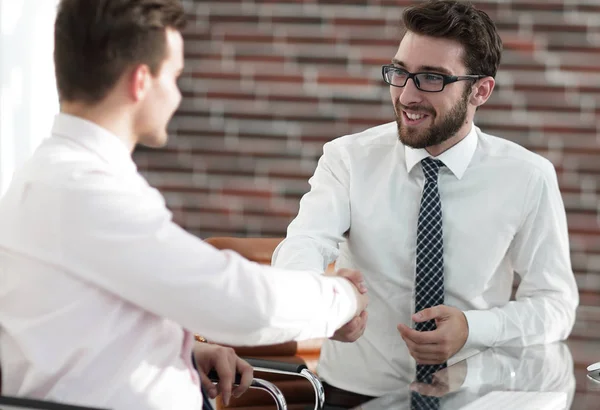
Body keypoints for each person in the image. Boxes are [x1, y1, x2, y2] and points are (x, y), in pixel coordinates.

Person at [0, 1, 369, 409]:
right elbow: (240, 304)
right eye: (174, 76)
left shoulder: (42, 174)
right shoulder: (89, 191)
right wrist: (341, 297)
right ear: (141, 81)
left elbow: (68, 321)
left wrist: (179, 350)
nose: (177, 94)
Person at [272, 0, 578, 404]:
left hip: (474, 396)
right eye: (400, 73)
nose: (407, 95)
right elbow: (303, 245)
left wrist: (474, 328)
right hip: (352, 395)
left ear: (480, 91)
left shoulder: (527, 176)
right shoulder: (347, 159)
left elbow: (556, 305)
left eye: (432, 78)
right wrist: (321, 306)